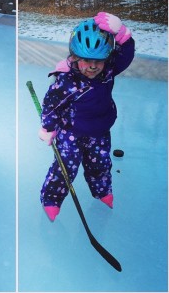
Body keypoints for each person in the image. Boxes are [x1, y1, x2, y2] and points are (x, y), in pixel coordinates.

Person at [38, 12, 135, 221]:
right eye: (87, 60)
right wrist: (47, 128)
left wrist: (123, 36)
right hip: (71, 133)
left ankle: (102, 192)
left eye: (99, 60)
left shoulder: (107, 71)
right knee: (65, 169)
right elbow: (51, 106)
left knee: (100, 164)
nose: (93, 66)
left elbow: (125, 57)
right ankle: (51, 199)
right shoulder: (66, 81)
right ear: (74, 57)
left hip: (100, 131)